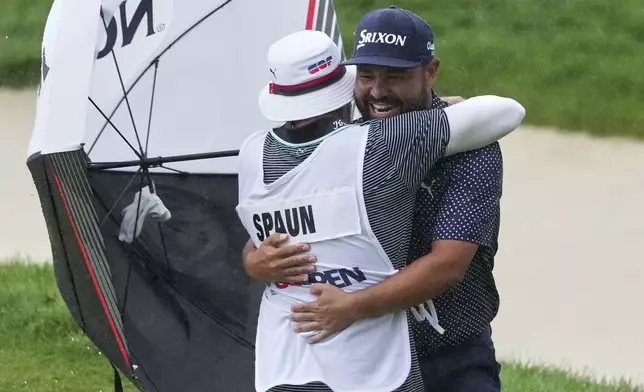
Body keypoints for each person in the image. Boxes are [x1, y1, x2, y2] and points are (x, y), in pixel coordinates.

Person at [235, 26, 525, 392]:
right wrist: (253, 258)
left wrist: (354, 305)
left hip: (448, 349)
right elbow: (279, 231)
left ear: (430, 72)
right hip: (363, 348)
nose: (377, 90)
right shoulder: (359, 137)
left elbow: (447, 264)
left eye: (395, 77)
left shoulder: (470, 148)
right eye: (367, 76)